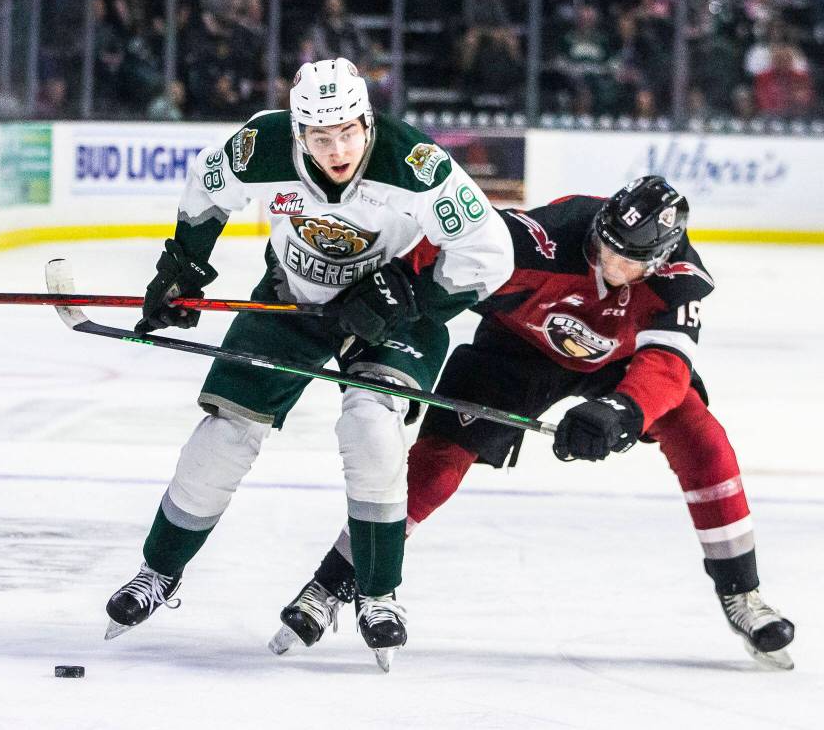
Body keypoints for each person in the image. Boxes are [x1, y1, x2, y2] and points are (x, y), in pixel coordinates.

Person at [275, 176, 796, 670]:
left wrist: (619, 412)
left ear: (658, 260)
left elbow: (667, 367)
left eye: (627, 258)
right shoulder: (545, 240)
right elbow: (454, 241)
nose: (609, 260)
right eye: (605, 244)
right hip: (515, 352)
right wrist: (386, 289)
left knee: (701, 436)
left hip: (619, 366)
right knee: (435, 465)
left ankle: (741, 592)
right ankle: (332, 583)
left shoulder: (678, 282)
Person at [103, 57, 514, 668]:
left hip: (390, 314)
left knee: (371, 427)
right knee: (225, 433)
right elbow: (207, 190)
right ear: (299, 131)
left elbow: (490, 255)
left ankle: (379, 593)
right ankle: (157, 572)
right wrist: (183, 268)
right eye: (322, 136)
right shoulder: (261, 145)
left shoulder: (413, 161)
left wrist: (410, 296)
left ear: (367, 119)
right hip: (293, 300)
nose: (339, 147)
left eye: (349, 130)